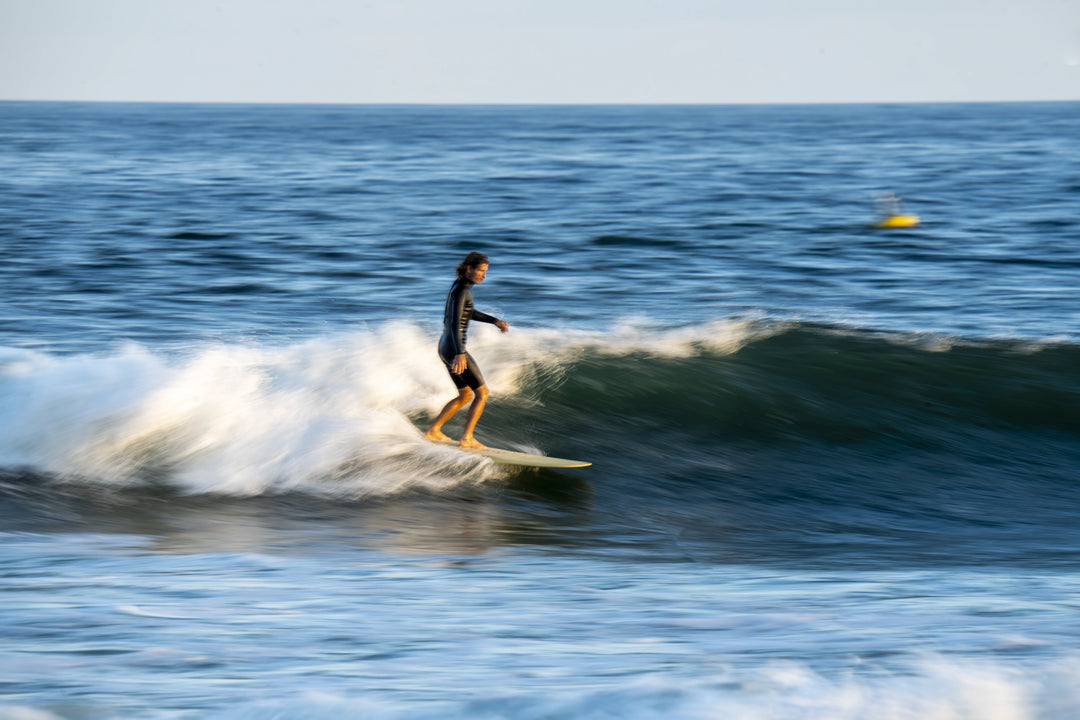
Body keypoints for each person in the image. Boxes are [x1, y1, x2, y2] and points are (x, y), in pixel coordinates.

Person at [426, 252, 510, 449]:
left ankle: (434, 431)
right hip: (453, 347)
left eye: (485, 271)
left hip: (445, 345)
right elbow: (456, 323)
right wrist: (460, 353)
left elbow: (467, 312)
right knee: (482, 393)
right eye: (481, 270)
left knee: (465, 395)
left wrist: (494, 320)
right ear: (469, 269)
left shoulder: (460, 287)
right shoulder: (462, 290)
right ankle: (467, 438)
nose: (484, 275)